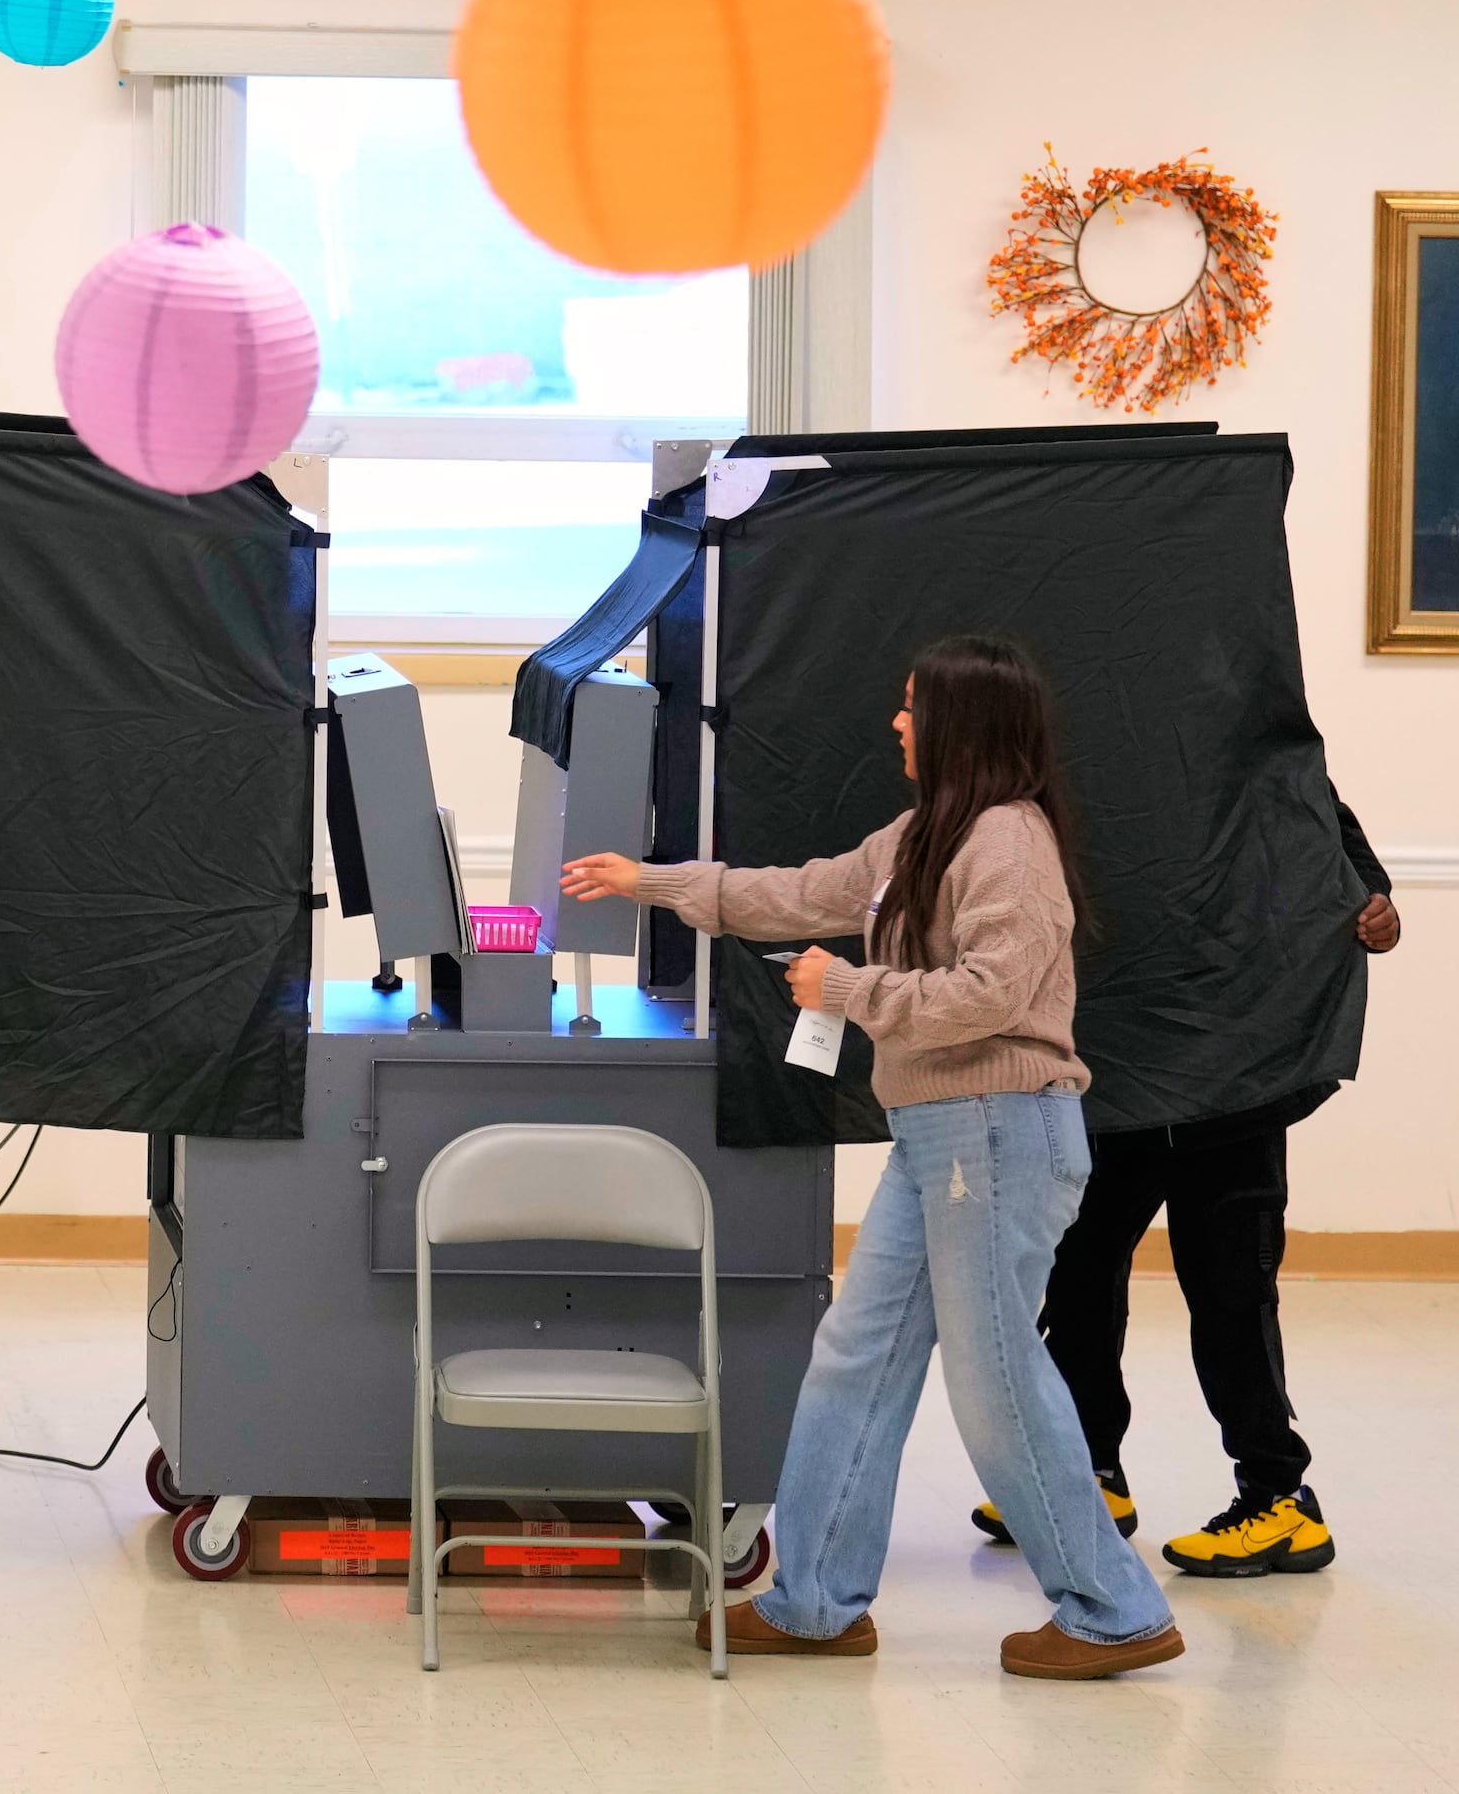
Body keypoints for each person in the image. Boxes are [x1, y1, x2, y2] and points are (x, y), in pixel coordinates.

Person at [562, 633, 1184, 1680]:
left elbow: (994, 994)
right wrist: (649, 881)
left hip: (997, 1131)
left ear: (961, 724)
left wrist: (849, 994)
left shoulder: (1008, 844)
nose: (896, 722)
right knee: (858, 1359)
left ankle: (1113, 1611)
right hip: (942, 1136)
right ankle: (814, 1605)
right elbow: (801, 892)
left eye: (910, 707)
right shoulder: (924, 833)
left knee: (995, 1383)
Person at [983, 788, 1401, 1579]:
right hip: (1123, 1079)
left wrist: (1375, 901)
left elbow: (1336, 846)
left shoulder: (1252, 746)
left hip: (1233, 1082)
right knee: (1076, 1284)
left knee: (1230, 1295)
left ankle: (1280, 1499)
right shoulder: (1095, 740)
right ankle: (1091, 1476)